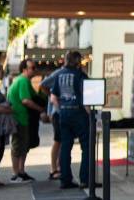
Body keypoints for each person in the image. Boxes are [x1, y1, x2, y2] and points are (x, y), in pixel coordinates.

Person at [40, 52, 92, 190]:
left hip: (64, 114)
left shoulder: (60, 75)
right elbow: (86, 99)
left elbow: (53, 97)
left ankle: (65, 180)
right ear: (77, 62)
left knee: (65, 147)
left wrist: (61, 108)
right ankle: (85, 179)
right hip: (79, 114)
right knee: (86, 147)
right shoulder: (80, 76)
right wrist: (90, 115)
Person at [7, 59, 44, 183]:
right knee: (18, 146)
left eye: (35, 67)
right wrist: (40, 109)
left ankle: (21, 172)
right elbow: (26, 100)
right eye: (32, 67)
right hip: (19, 118)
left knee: (24, 146)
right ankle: (16, 173)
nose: (35, 69)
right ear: (24, 69)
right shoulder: (22, 81)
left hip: (23, 119)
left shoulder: (23, 81)